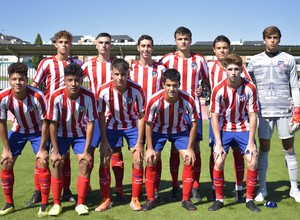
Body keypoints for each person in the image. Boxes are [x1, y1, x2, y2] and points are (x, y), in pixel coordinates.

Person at [247, 26, 300, 202]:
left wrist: (298, 111)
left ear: (279, 39)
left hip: (285, 110)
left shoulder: (289, 59)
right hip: (263, 111)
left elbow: (295, 86)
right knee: (264, 150)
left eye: (275, 37)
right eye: (269, 37)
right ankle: (262, 189)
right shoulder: (254, 60)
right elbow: (248, 85)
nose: (272, 40)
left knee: (289, 149)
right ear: (264, 39)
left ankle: (294, 188)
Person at [29, 30, 82, 205]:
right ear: (55, 44)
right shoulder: (46, 63)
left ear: (71, 45)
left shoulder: (76, 63)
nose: (64, 45)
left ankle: (66, 191)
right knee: (43, 152)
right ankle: (38, 191)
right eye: (61, 42)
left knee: (63, 154)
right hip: (49, 115)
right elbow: (35, 85)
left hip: (68, 114)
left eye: (67, 42)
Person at [159, 26, 209, 202]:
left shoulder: (199, 60)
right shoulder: (166, 60)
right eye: (180, 39)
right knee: (175, 149)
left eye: (186, 39)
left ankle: (195, 186)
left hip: (193, 110)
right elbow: (159, 82)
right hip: (172, 110)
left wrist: (202, 89)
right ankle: (175, 186)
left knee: (194, 149)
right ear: (175, 40)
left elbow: (207, 81)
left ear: (191, 40)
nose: (183, 42)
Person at [208, 53, 260, 212]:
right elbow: (214, 117)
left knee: (252, 159)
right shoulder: (218, 89)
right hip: (224, 128)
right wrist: (218, 144)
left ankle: (249, 199)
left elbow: (253, 115)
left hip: (243, 128)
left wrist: (251, 142)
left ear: (241, 70)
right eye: (230, 69)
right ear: (225, 70)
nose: (233, 72)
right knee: (218, 160)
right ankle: (219, 199)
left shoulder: (250, 87)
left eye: (236, 69)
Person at [143, 68, 199, 211]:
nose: (171, 89)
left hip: (179, 130)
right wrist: (149, 148)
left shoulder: (188, 99)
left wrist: (190, 148)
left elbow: (194, 124)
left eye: (174, 85)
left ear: (179, 84)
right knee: (151, 159)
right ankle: (151, 198)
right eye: (168, 85)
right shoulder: (154, 100)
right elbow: (148, 123)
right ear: (163, 84)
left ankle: (186, 199)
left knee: (189, 159)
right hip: (158, 130)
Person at [47, 63, 98, 216]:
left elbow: (91, 123)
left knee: (85, 162)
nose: (73, 84)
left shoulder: (89, 96)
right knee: (56, 163)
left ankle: (80, 203)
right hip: (61, 135)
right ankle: (57, 204)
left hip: (80, 134)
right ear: (65, 80)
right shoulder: (55, 96)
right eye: (70, 80)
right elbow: (52, 124)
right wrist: (55, 151)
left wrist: (87, 150)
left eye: (77, 80)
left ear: (81, 80)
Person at [0, 63, 51, 217]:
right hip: (18, 130)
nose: (18, 82)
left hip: (38, 131)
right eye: (14, 79)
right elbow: (1, 122)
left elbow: (46, 122)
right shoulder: (3, 97)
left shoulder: (37, 95)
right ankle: (9, 204)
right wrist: (6, 148)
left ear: (26, 79)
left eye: (21, 79)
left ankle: (43, 204)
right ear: (9, 80)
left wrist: (42, 148)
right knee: (6, 161)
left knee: (42, 160)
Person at [96, 58, 145, 211]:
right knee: (105, 159)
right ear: (111, 74)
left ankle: (135, 199)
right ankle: (106, 199)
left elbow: (142, 115)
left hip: (131, 126)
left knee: (137, 158)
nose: (120, 78)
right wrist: (103, 140)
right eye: (116, 74)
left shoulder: (136, 89)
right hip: (111, 126)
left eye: (123, 74)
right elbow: (101, 115)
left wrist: (139, 142)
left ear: (128, 74)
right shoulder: (103, 90)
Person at [81, 32, 124, 200]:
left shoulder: (117, 64)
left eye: (107, 42)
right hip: (93, 116)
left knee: (115, 153)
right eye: (101, 42)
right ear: (96, 45)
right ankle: (88, 185)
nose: (104, 45)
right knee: (89, 152)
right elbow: (73, 81)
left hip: (114, 117)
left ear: (111, 45)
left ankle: (119, 188)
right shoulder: (88, 65)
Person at [129, 34, 165, 201]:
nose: (145, 49)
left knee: (155, 156)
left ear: (153, 48)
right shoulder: (130, 69)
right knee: (137, 156)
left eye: (149, 46)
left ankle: (154, 188)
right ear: (138, 48)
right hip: (136, 120)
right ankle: (138, 187)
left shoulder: (161, 69)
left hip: (156, 120)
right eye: (143, 46)